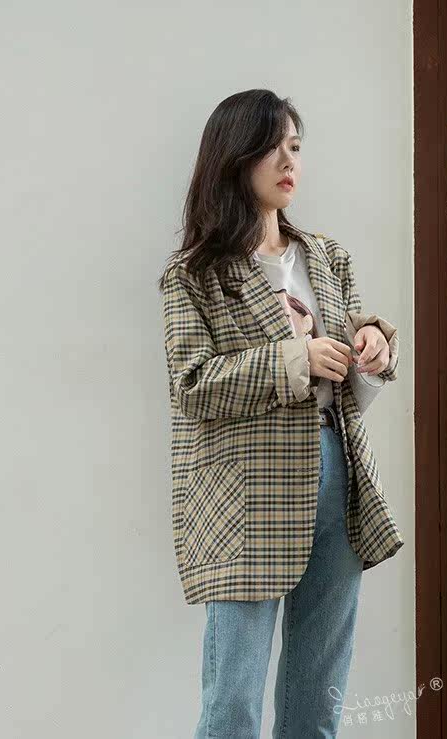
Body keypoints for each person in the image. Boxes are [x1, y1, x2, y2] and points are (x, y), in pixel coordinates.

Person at [157, 89, 405, 738]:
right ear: (235, 156)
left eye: (295, 146)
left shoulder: (325, 256)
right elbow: (192, 385)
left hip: (339, 476)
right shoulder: (194, 274)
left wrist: (372, 347)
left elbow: (349, 362)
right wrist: (294, 359)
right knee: (233, 698)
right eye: (272, 147)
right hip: (245, 494)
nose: (289, 161)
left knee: (318, 694)